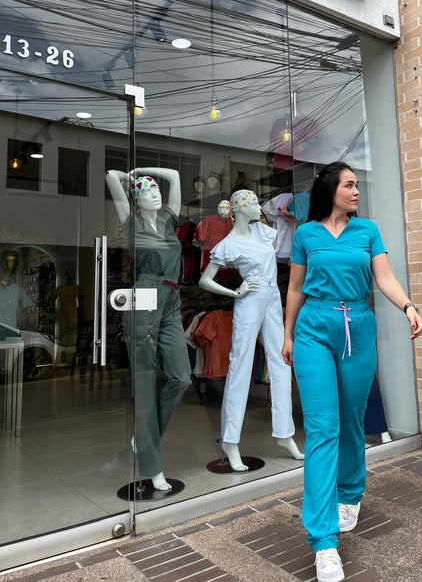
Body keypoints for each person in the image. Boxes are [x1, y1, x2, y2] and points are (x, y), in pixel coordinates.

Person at [282, 162, 422, 582]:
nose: (357, 190)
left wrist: (409, 306)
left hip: (358, 328)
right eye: (349, 185)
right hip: (314, 329)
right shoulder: (306, 235)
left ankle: (350, 492)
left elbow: (385, 277)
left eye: (357, 184)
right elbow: (295, 288)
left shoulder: (368, 231)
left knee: (351, 418)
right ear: (331, 190)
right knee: (322, 427)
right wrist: (288, 335)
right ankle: (324, 542)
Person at [199, 189, 303, 472]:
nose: (260, 207)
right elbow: (205, 280)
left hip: (272, 299)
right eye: (255, 203)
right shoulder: (229, 244)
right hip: (249, 300)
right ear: (240, 209)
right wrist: (235, 292)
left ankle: (285, 433)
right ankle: (230, 440)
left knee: (281, 361)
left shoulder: (262, 232)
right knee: (240, 366)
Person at [106, 168, 191, 491]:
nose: (155, 194)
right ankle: (153, 469)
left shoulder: (168, 220)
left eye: (156, 190)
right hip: (144, 295)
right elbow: (110, 176)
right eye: (146, 192)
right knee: (145, 384)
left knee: (181, 377)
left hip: (172, 298)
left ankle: (144, 437)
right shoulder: (132, 222)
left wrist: (143, 172)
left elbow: (175, 177)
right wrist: (129, 179)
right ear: (136, 201)